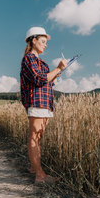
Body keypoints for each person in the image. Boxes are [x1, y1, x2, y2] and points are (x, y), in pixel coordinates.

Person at [20, 27, 67, 184]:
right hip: (37, 102)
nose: (45, 45)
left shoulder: (42, 62)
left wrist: (54, 75)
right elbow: (39, 80)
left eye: (46, 43)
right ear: (33, 40)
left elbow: (45, 82)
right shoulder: (29, 59)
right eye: (43, 41)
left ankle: (34, 168)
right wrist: (58, 68)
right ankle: (40, 176)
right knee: (34, 138)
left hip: (45, 102)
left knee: (38, 138)